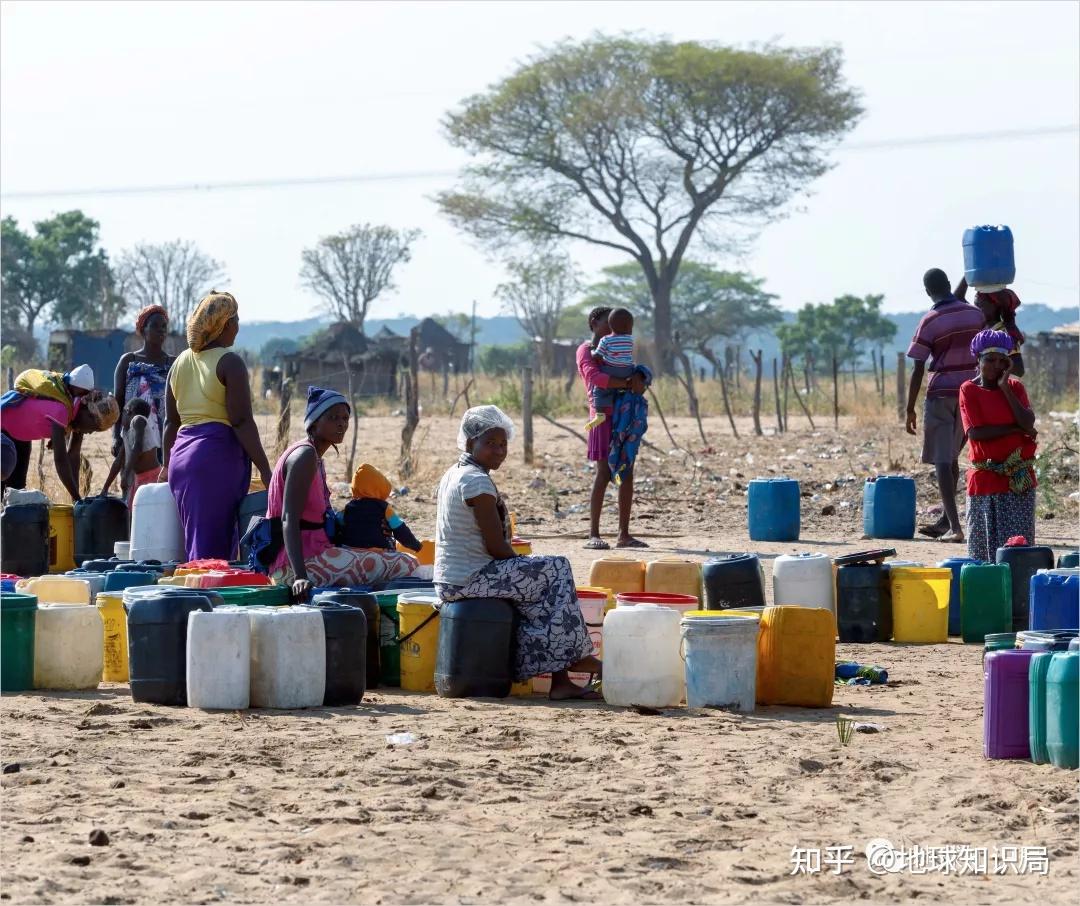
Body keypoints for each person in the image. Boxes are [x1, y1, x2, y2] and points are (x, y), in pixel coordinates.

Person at [434, 405, 601, 701]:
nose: (499, 451)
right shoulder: (475, 481)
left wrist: (524, 569)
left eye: (503, 444)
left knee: (542, 587)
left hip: (455, 576)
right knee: (556, 568)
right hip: (468, 578)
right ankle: (572, 661)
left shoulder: (456, 472)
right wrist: (524, 565)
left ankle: (562, 677)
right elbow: (496, 548)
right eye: (491, 444)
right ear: (471, 442)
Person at [270, 387, 421, 597]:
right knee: (406, 562)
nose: (341, 424)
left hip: (312, 553)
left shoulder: (313, 456)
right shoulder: (304, 457)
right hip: (296, 564)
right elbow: (288, 518)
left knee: (381, 554)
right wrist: (300, 576)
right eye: (332, 418)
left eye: (345, 418)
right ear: (314, 422)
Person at [161, 291, 272, 560]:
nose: (238, 326)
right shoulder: (229, 362)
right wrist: (266, 469)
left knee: (198, 544)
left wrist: (166, 466)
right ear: (225, 325)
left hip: (182, 460)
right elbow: (241, 421)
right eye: (235, 320)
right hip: (214, 459)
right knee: (212, 556)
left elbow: (170, 422)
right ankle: (203, 600)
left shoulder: (179, 363)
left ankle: (200, 598)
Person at [905, 268, 987, 543]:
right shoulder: (975, 315)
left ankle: (955, 527)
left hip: (941, 394)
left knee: (942, 460)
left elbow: (918, 367)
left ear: (928, 292)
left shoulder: (930, 321)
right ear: (949, 284)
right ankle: (946, 521)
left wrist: (909, 408)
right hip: (970, 393)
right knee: (950, 456)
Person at [958, 330, 1038, 562]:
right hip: (986, 479)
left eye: (1002, 361)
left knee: (1018, 551)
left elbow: (1028, 422)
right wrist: (1014, 429)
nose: (995, 366)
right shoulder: (968, 389)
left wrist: (1005, 387)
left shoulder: (1015, 388)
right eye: (989, 360)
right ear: (978, 360)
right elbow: (976, 433)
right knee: (983, 554)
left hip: (1017, 480)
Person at [576, 306, 647, 551]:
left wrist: (637, 379)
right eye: (608, 322)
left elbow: (630, 370)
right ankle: (593, 533)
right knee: (604, 473)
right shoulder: (586, 350)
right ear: (594, 323)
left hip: (624, 415)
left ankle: (623, 534)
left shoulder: (620, 344)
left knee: (626, 471)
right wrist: (628, 383)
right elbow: (595, 377)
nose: (614, 327)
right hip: (602, 416)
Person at [0, 365, 116, 499]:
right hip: (4, 430)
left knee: (16, 490)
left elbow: (73, 455)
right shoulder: (62, 410)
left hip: (21, 436)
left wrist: (75, 500)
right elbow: (61, 460)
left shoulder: (77, 414)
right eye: (93, 428)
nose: (90, 433)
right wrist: (77, 498)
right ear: (89, 414)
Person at [112, 305, 175, 460]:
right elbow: (118, 401)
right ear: (143, 329)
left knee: (161, 481)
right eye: (154, 325)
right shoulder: (128, 361)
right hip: (133, 435)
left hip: (165, 437)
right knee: (134, 479)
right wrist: (116, 436)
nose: (161, 330)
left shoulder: (173, 363)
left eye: (164, 326)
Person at [341, 463, 424, 557]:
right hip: (379, 554)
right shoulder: (384, 508)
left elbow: (337, 525)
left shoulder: (348, 508)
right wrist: (416, 545)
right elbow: (400, 530)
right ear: (379, 486)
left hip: (350, 553)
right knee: (410, 561)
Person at [955, 277, 1026, 376]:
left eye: (980, 305)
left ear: (994, 306)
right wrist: (968, 275)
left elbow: (1019, 370)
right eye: (976, 305)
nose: (976, 309)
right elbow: (957, 298)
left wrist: (993, 362)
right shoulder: (982, 328)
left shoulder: (1004, 333)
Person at [101, 398, 161, 509]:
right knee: (134, 514)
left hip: (152, 477)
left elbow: (137, 447)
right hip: (139, 478)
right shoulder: (125, 432)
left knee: (148, 511)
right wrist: (105, 488)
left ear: (128, 411)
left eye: (122, 412)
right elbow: (118, 461)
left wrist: (126, 474)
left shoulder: (138, 420)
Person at [585, 308, 636, 431]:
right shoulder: (630, 340)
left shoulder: (606, 340)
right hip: (628, 371)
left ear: (612, 326)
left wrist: (592, 352)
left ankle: (600, 414)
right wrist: (627, 382)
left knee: (599, 390)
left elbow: (597, 357)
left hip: (612, 370)